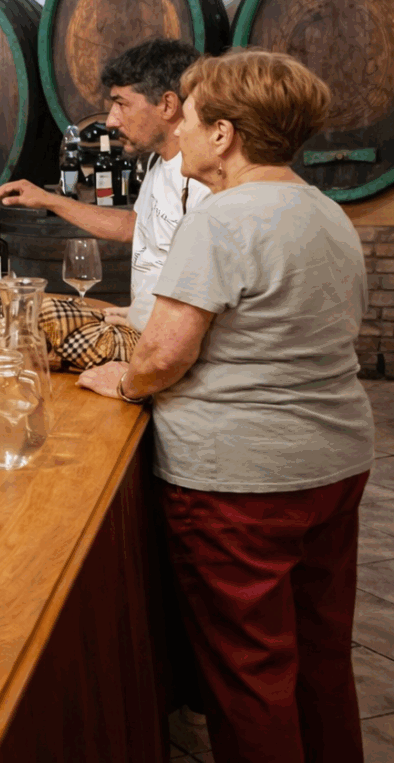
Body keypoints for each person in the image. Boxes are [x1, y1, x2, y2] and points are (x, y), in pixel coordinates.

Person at [78, 49, 374, 763]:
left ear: (225, 134)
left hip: (241, 482)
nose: (179, 132)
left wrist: (123, 380)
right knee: (323, 656)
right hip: (335, 463)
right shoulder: (328, 212)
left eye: (195, 117)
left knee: (252, 672)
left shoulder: (220, 220)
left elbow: (162, 354)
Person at [0, 39, 210, 366]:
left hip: (169, 347)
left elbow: (200, 307)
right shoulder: (157, 163)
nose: (110, 121)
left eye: (122, 104)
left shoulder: (203, 182)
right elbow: (134, 227)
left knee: (29, 341)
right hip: (142, 325)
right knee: (23, 316)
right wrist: (48, 200)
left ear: (167, 105)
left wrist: (133, 364)